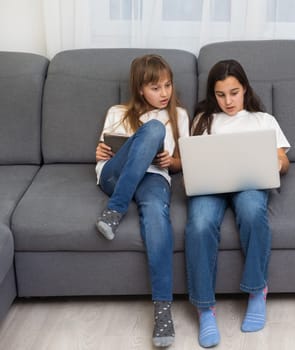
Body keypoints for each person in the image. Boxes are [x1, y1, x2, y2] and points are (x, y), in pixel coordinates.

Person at [184, 59, 290, 348]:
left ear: (245, 88)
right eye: (220, 95)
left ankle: (257, 292)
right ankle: (205, 308)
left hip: (249, 181)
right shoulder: (203, 119)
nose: (228, 101)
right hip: (210, 185)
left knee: (253, 212)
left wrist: (275, 162)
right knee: (200, 224)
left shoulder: (262, 120)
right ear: (212, 94)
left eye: (234, 92)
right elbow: (192, 158)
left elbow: (284, 161)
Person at [95, 54, 189, 348]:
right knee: (153, 130)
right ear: (139, 89)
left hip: (154, 178)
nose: (164, 94)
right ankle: (116, 208)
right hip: (116, 177)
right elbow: (106, 151)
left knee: (157, 216)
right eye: (155, 88)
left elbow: (186, 160)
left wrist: (172, 161)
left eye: (168, 86)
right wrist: (99, 154)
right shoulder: (117, 112)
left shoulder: (180, 116)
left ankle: (163, 311)